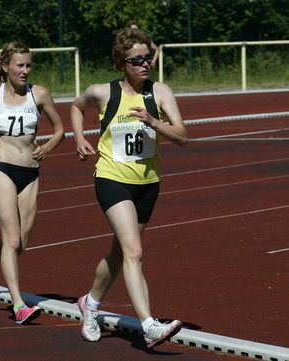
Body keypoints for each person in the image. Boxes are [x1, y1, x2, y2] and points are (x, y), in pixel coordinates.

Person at [70, 27, 188, 347]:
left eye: (148, 58)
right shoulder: (103, 92)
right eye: (136, 60)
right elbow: (76, 106)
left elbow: (182, 136)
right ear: (121, 62)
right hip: (112, 178)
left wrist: (154, 123)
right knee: (134, 251)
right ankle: (149, 325)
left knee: (120, 253)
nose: (144, 64)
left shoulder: (160, 92)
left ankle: (90, 305)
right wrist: (80, 137)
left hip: (147, 184)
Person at [0, 41, 64, 324]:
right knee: (12, 238)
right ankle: (18, 305)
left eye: (28, 65)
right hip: (2, 168)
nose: (25, 70)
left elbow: (59, 129)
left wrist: (48, 147)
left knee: (20, 244)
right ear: (5, 66)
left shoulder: (39, 94)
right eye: (20, 65)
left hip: (30, 172)